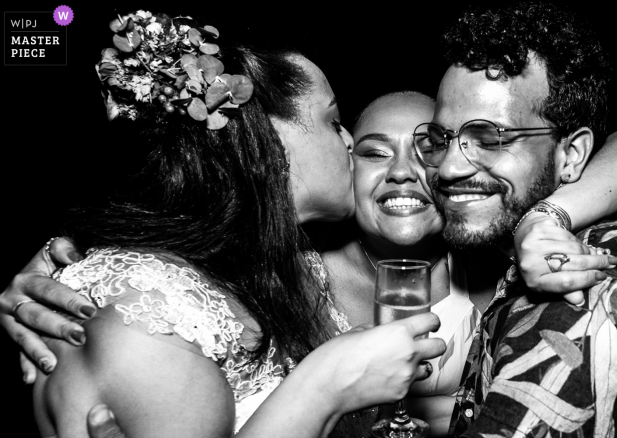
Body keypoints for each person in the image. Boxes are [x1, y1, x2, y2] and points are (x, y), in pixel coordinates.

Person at [0, 11, 447, 438]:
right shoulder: (152, 318)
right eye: (333, 121)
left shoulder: (288, 259)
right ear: (269, 139)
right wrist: (324, 386)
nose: (348, 141)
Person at [323, 91, 617, 436]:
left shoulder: (487, 245)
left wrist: (548, 216)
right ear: (345, 161)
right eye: (375, 153)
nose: (402, 171)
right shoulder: (291, 267)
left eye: (428, 149)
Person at [408, 3, 617, 436]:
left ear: (572, 154)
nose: (448, 168)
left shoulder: (575, 301)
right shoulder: (575, 227)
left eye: (489, 138)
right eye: (443, 138)